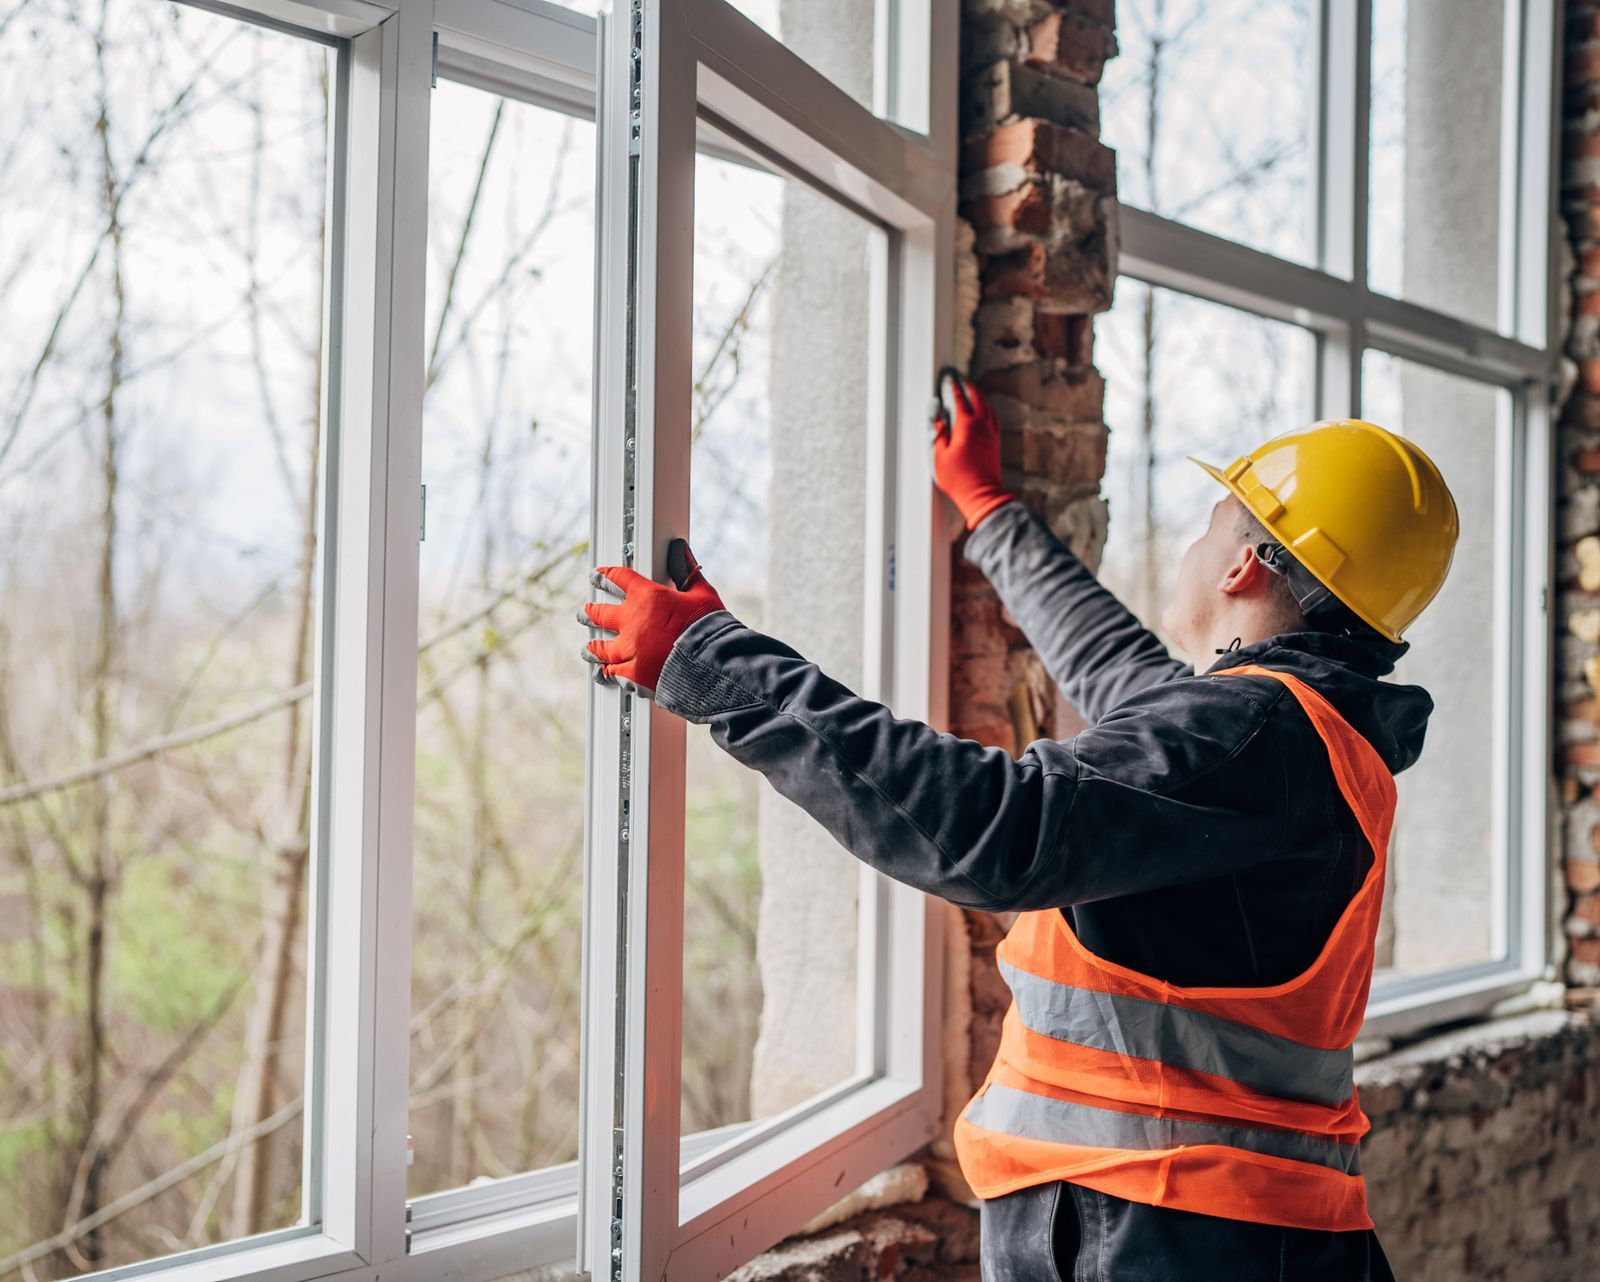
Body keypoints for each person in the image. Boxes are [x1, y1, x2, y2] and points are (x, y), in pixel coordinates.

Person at [575, 373, 1459, 1281]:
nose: (1195, 545)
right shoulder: (1307, 737)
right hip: (1226, 1228)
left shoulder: (1250, 738)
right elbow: (1121, 673)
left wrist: (712, 662)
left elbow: (997, 829)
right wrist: (989, 509)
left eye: (1209, 525)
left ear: (1243, 565)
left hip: (1166, 1228)